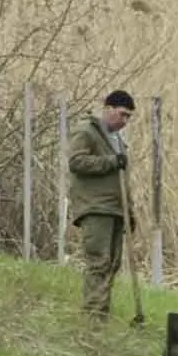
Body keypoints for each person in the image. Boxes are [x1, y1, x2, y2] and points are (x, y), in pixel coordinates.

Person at [67, 89, 136, 319]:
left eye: (128, 117)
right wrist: (110, 161)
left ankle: (101, 314)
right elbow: (76, 161)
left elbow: (121, 181)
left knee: (112, 265)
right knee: (98, 262)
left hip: (116, 209)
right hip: (96, 207)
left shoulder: (118, 141)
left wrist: (130, 213)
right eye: (122, 114)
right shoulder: (87, 131)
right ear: (108, 109)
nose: (125, 121)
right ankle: (92, 315)